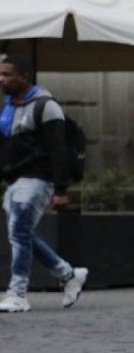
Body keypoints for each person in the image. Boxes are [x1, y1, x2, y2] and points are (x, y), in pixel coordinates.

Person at [0, 55, 88, 313]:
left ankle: (17, 293)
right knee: (21, 233)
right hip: (16, 180)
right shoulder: (10, 107)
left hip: (38, 179)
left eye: (7, 75)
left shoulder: (46, 107)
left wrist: (61, 190)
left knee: (18, 233)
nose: (1, 79)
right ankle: (69, 274)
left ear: (25, 76)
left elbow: (59, 149)